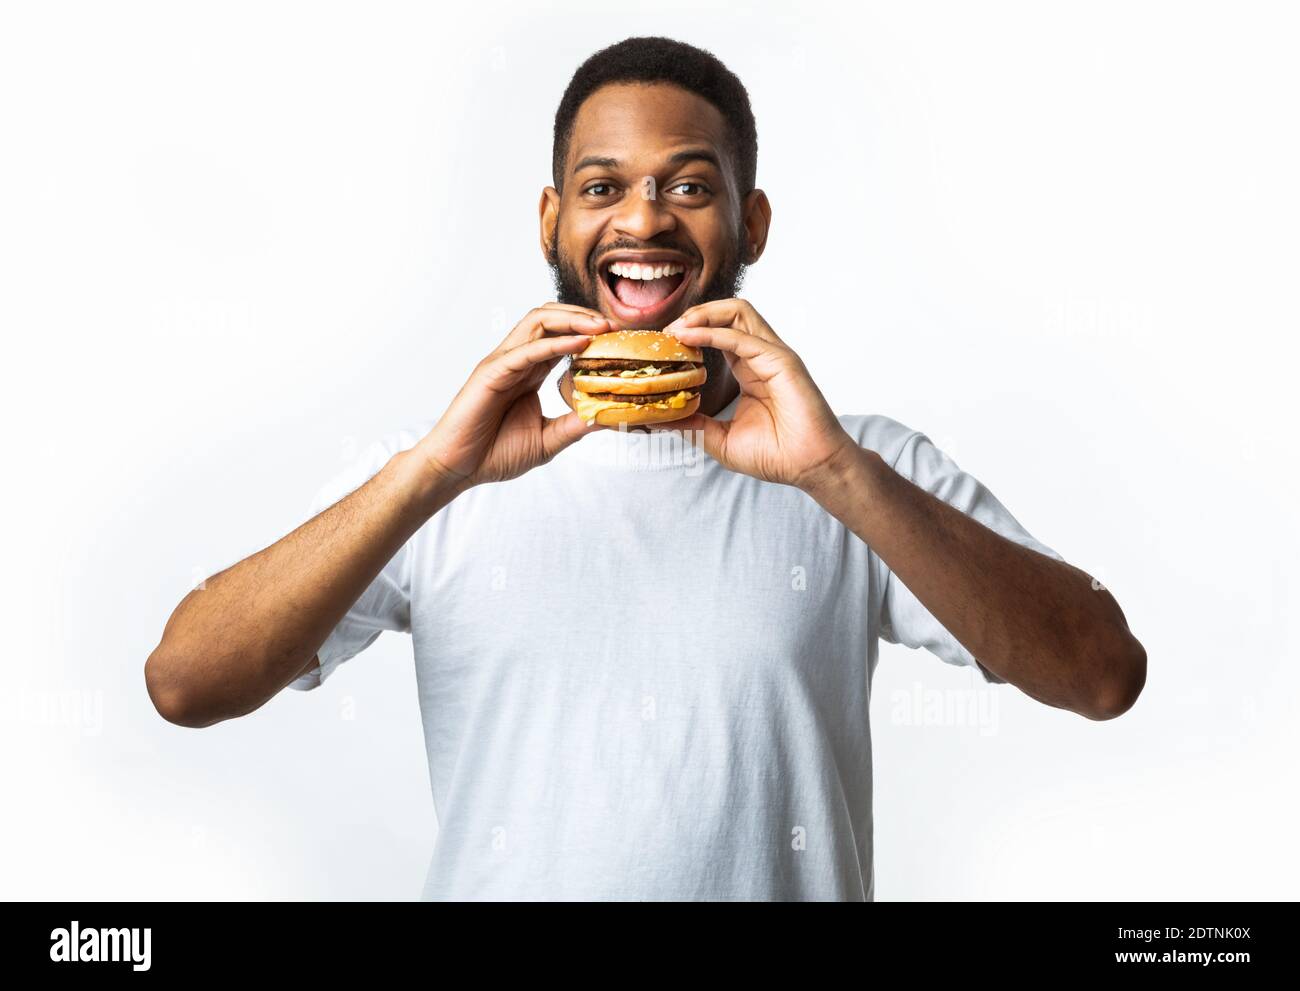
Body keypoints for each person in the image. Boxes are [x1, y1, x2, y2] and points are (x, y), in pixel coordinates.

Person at [145, 36, 1146, 900]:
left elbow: (1101, 674)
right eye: (602, 187)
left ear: (749, 224)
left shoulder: (862, 464)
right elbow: (186, 683)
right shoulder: (438, 472)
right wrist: (433, 475)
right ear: (551, 222)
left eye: (689, 186)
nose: (644, 220)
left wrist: (836, 471)